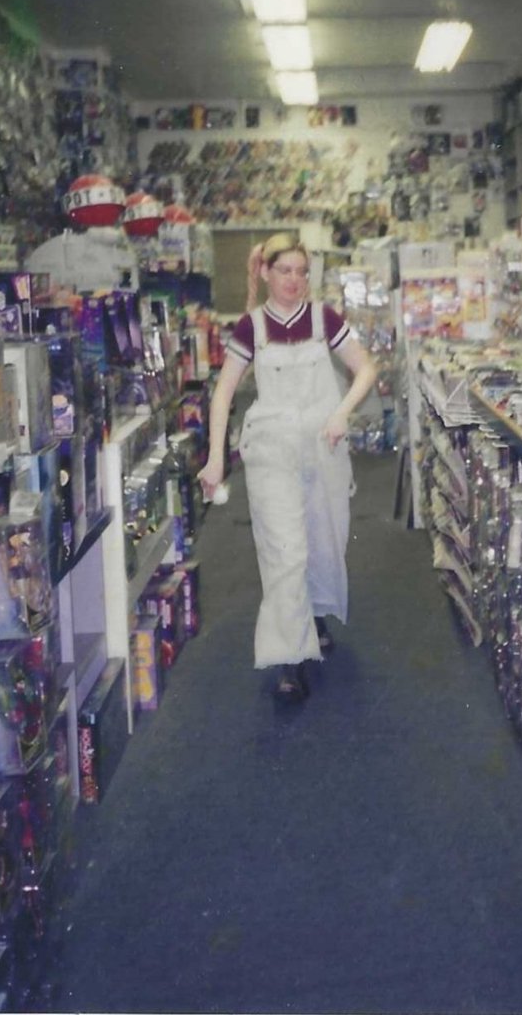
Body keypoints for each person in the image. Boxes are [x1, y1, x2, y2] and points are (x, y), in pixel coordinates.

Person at [198, 232, 377, 702]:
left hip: (324, 445)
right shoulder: (250, 328)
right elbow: (222, 393)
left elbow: (366, 370)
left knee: (324, 540)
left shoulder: (325, 319)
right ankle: (289, 660)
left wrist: (342, 412)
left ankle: (313, 614)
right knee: (284, 551)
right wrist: (216, 458)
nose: (294, 280)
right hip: (272, 449)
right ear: (264, 272)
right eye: (284, 271)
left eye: (301, 271)